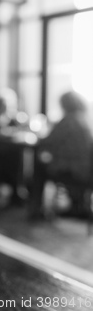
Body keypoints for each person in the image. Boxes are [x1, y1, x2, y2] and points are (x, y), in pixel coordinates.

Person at [29, 91, 93, 219]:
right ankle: (76, 205)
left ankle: (35, 209)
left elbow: (49, 141)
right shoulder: (84, 120)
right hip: (86, 170)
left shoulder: (68, 121)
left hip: (74, 170)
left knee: (39, 168)